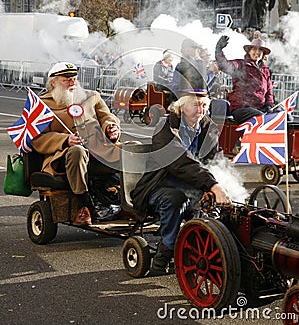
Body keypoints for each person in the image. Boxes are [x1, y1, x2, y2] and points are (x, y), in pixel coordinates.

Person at [131, 91, 231, 276]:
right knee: (176, 199)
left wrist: (219, 186)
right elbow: (179, 163)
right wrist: (211, 185)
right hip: (158, 186)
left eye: (204, 106)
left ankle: (205, 251)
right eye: (195, 105)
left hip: (193, 185)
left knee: (216, 208)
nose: (200, 110)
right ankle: (164, 254)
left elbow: (216, 161)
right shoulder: (165, 128)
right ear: (181, 106)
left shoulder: (208, 127)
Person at [31, 61, 121, 226]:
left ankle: (138, 201)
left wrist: (111, 128)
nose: (73, 83)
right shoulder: (41, 104)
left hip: (99, 152)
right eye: (67, 79)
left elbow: (107, 117)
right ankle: (82, 206)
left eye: (74, 78)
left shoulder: (91, 96)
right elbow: (37, 138)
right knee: (77, 151)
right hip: (64, 158)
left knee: (134, 147)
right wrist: (65, 140)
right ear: (53, 82)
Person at [215, 36, 274, 124]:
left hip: (259, 108)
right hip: (241, 108)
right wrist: (219, 50)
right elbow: (224, 65)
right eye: (254, 49)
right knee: (262, 118)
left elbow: (269, 91)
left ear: (263, 54)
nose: (257, 52)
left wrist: (269, 105)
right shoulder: (240, 64)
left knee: (285, 116)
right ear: (249, 51)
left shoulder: (265, 70)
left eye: (260, 50)